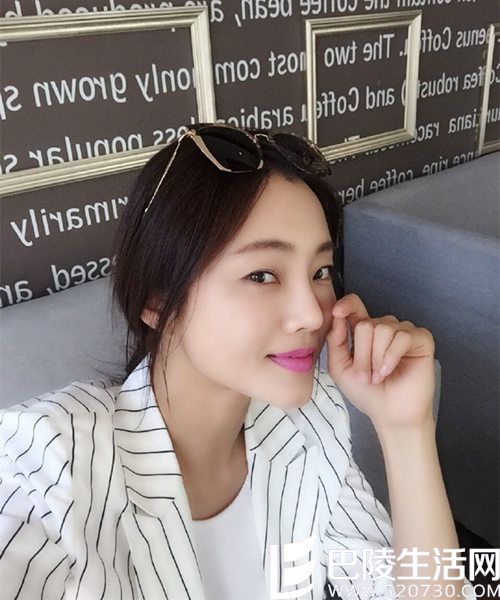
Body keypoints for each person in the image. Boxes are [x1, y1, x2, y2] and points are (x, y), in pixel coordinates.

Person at [0, 124, 476, 600]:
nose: (312, 314)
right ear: (155, 301)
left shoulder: (310, 419)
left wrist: (406, 430)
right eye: (262, 275)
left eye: (321, 271)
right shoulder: (46, 463)